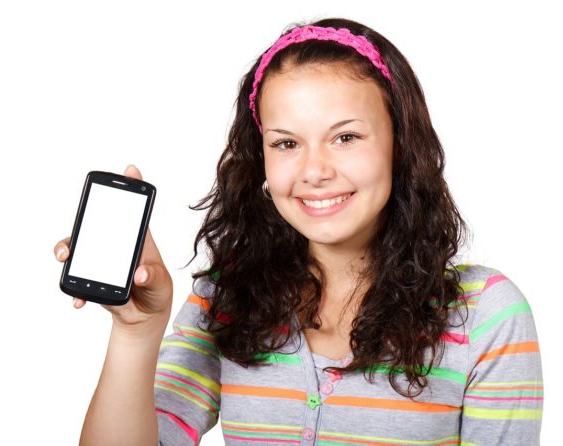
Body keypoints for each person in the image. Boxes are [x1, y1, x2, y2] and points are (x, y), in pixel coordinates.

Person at [54, 17, 543, 445]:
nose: (314, 171)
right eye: (286, 143)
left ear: (401, 143)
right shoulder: (226, 298)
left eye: (345, 137)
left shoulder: (486, 316)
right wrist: (136, 333)